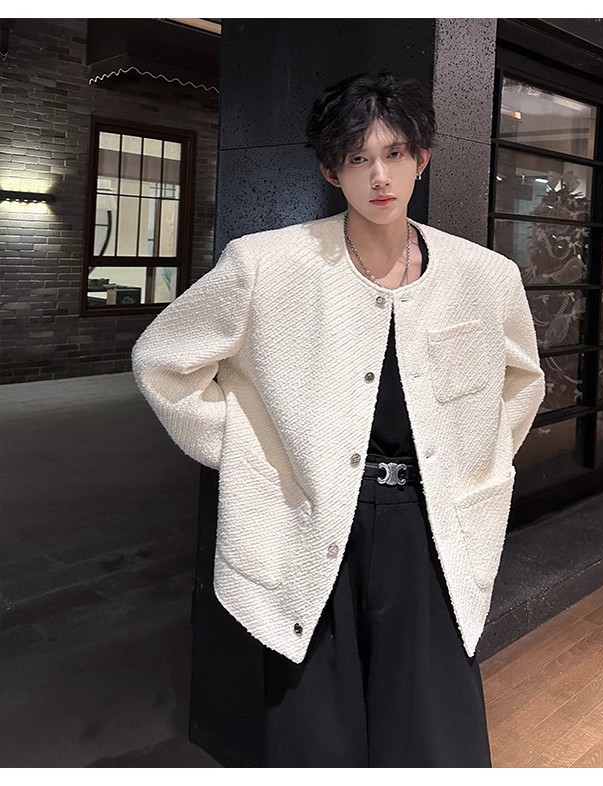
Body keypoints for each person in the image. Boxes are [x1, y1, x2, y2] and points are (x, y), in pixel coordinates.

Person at [131, 70, 545, 767]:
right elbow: (163, 361)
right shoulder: (268, 264)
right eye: (358, 158)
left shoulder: (485, 276)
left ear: (422, 158)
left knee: (435, 731)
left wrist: (481, 457)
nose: (379, 176)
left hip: (430, 523)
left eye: (395, 153)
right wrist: (248, 451)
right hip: (313, 517)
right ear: (331, 170)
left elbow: (522, 381)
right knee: (314, 731)